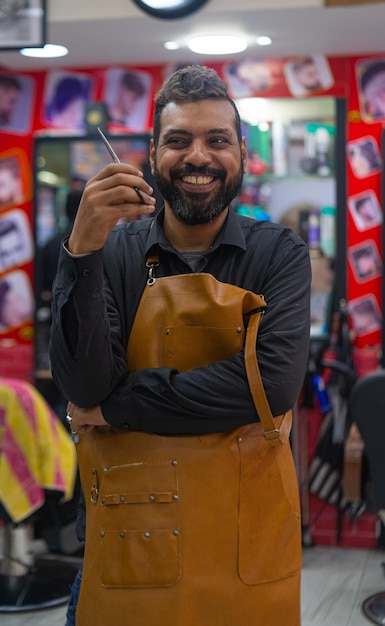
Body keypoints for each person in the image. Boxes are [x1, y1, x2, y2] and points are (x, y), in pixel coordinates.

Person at [49, 65, 311, 626]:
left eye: (217, 140)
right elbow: (84, 384)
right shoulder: (111, 253)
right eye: (178, 140)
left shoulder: (278, 255)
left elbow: (269, 386)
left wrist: (116, 408)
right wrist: (82, 250)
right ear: (151, 152)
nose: (198, 157)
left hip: (244, 539)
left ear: (241, 151)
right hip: (126, 536)